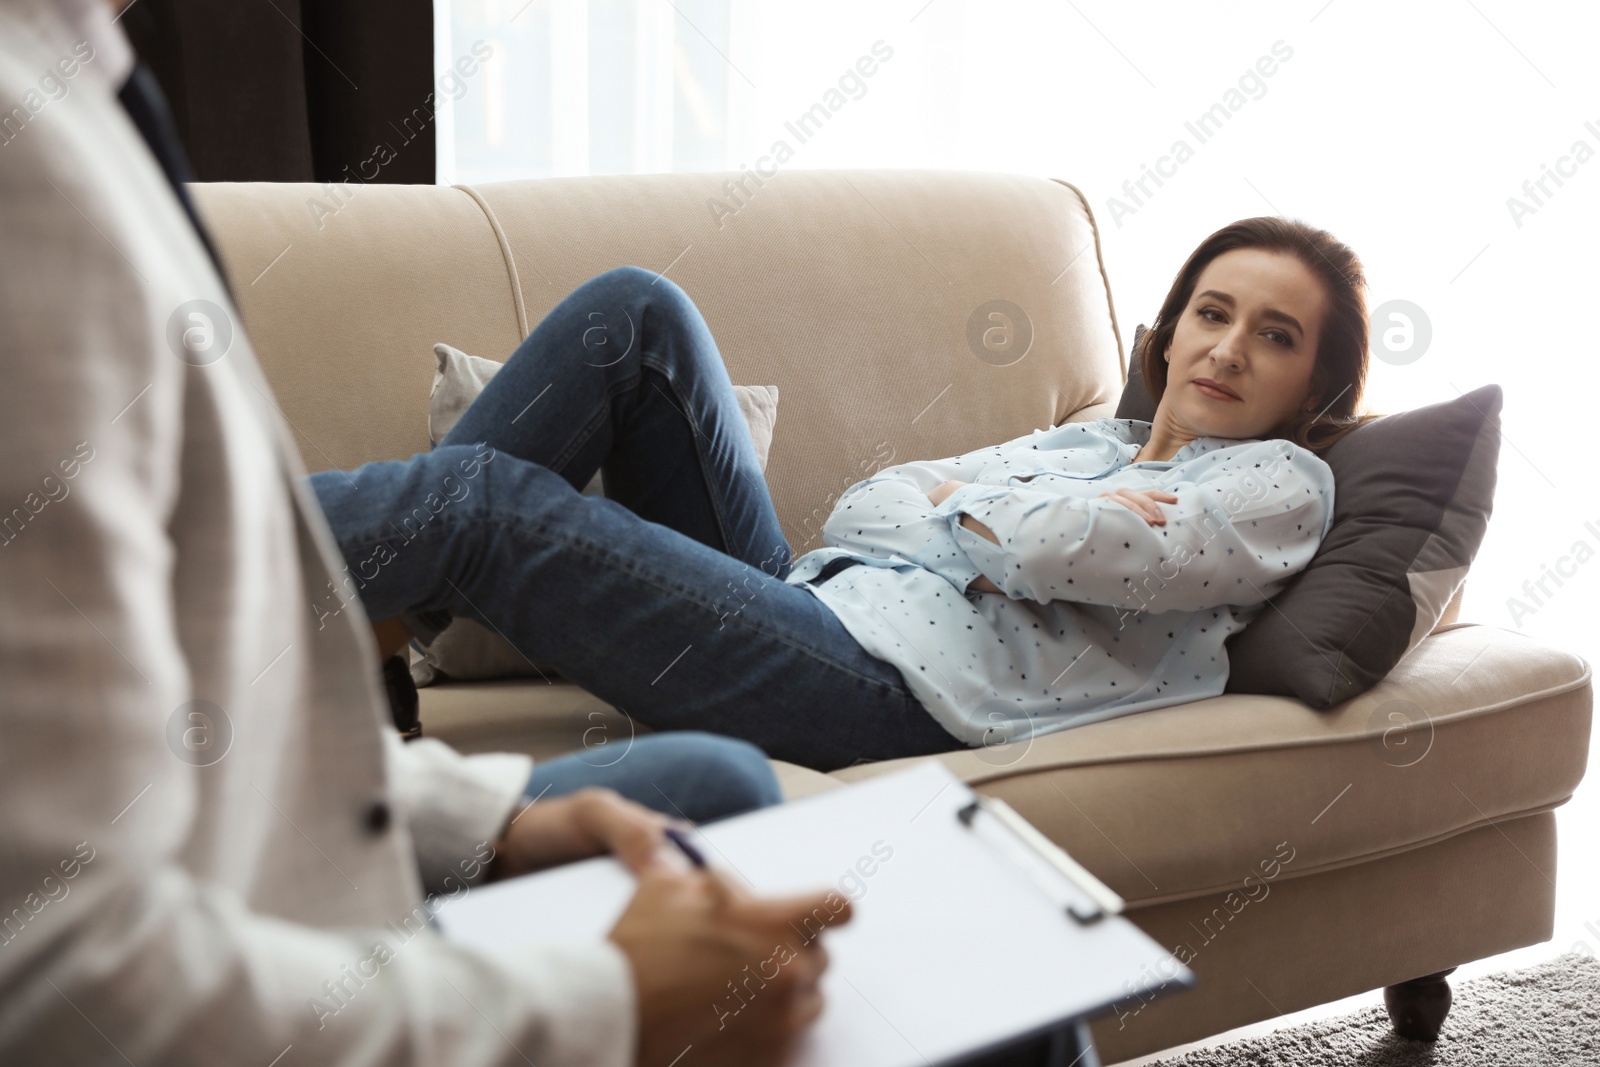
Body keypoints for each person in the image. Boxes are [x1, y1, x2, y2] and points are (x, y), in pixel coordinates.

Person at [0, 2, 856, 1064]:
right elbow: (50, 975)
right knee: (624, 321)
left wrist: (483, 818)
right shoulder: (31, 145)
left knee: (495, 519)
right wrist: (605, 1005)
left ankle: (333, 603)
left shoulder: (72, 96)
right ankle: (326, 599)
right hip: (834, 583)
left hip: (882, 652)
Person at [315, 218, 1373, 773]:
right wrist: (994, 517)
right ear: (1168, 329)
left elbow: (1075, 556)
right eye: (1211, 312)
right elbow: (867, 503)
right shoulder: (1086, 437)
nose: (1227, 349)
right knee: (634, 311)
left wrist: (973, 506)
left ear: (1318, 388)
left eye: (1273, 336)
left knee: (484, 500)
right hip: (811, 600)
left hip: (892, 695)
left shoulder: (1278, 483)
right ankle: (360, 638)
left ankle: (199, 565)